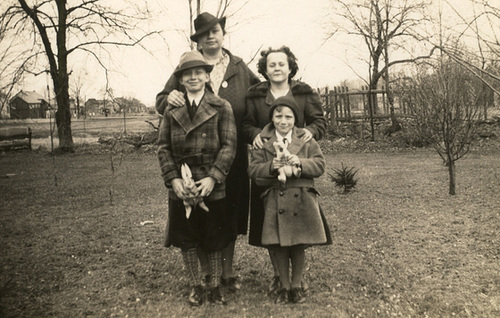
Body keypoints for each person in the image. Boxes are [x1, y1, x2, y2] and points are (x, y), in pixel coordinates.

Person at [156, 12, 260, 292]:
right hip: (193, 162)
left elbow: (263, 96)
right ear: (198, 40)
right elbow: (161, 101)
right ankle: (204, 275)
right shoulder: (190, 67)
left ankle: (226, 273)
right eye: (204, 34)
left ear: (222, 33)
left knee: (230, 216)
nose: (210, 36)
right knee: (199, 217)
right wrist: (169, 98)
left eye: (215, 31)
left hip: (232, 157)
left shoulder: (238, 65)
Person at [242, 46, 328, 294]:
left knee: (298, 233)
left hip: (298, 173)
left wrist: (311, 132)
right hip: (267, 170)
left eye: (282, 64)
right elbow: (246, 124)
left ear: (290, 67)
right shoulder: (255, 95)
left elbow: (318, 122)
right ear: (265, 69)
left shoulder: (304, 92)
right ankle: (279, 277)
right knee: (271, 230)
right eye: (272, 64)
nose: (277, 68)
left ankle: (296, 281)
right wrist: (256, 136)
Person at [157, 50, 237, 305]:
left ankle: (214, 286)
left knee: (214, 237)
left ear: (206, 75)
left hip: (209, 183)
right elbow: (163, 147)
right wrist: (174, 180)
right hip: (181, 185)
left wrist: (214, 177)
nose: (193, 77)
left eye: (198, 72)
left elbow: (229, 145)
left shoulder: (221, 106)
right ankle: (195, 285)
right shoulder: (171, 110)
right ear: (180, 79)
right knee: (187, 238)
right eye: (187, 74)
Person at [247, 96, 332, 304]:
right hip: (275, 198)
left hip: (302, 197)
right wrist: (271, 167)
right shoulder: (263, 141)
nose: (283, 121)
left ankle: (296, 286)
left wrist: (300, 162)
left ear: (295, 119)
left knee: (298, 244)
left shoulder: (305, 138)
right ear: (271, 118)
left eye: (288, 116)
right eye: (278, 116)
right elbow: (252, 170)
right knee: (279, 245)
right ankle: (284, 286)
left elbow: (320, 165)